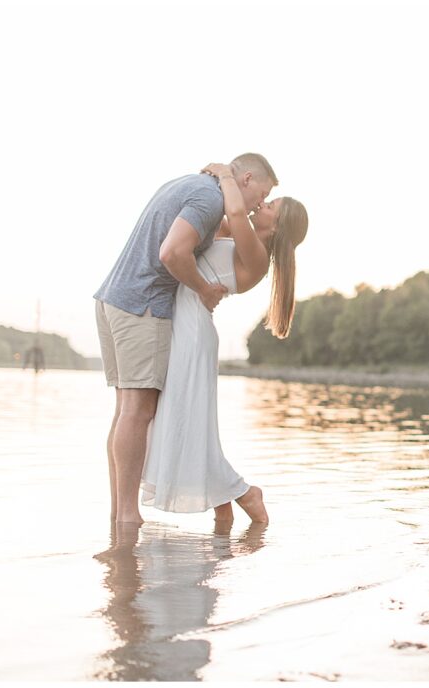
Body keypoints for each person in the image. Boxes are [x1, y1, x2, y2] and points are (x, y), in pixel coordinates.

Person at [94, 153, 277, 524]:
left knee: (129, 413)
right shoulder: (209, 199)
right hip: (143, 304)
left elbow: (228, 226)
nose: (262, 202)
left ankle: (122, 517)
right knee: (137, 412)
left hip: (118, 299)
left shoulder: (199, 190)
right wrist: (204, 289)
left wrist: (224, 175)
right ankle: (127, 517)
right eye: (264, 192)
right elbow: (172, 252)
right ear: (246, 179)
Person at [140, 162, 309, 524]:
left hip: (193, 331)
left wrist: (225, 173)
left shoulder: (257, 255)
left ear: (275, 227)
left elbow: (233, 207)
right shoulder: (240, 235)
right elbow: (214, 217)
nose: (261, 206)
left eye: (270, 206)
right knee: (190, 423)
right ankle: (225, 509)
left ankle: (246, 494)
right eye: (265, 200)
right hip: (187, 325)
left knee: (188, 422)